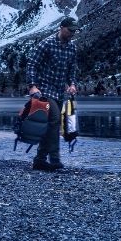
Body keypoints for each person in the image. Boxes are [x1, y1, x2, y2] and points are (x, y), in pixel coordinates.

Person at [26, 17, 79, 171]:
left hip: (59, 92)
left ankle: (40, 160)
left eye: (74, 31)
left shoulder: (72, 48)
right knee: (55, 120)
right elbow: (32, 65)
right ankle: (55, 160)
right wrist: (32, 86)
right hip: (43, 91)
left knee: (50, 125)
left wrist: (72, 84)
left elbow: (72, 69)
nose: (72, 33)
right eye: (70, 30)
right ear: (61, 27)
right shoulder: (46, 44)